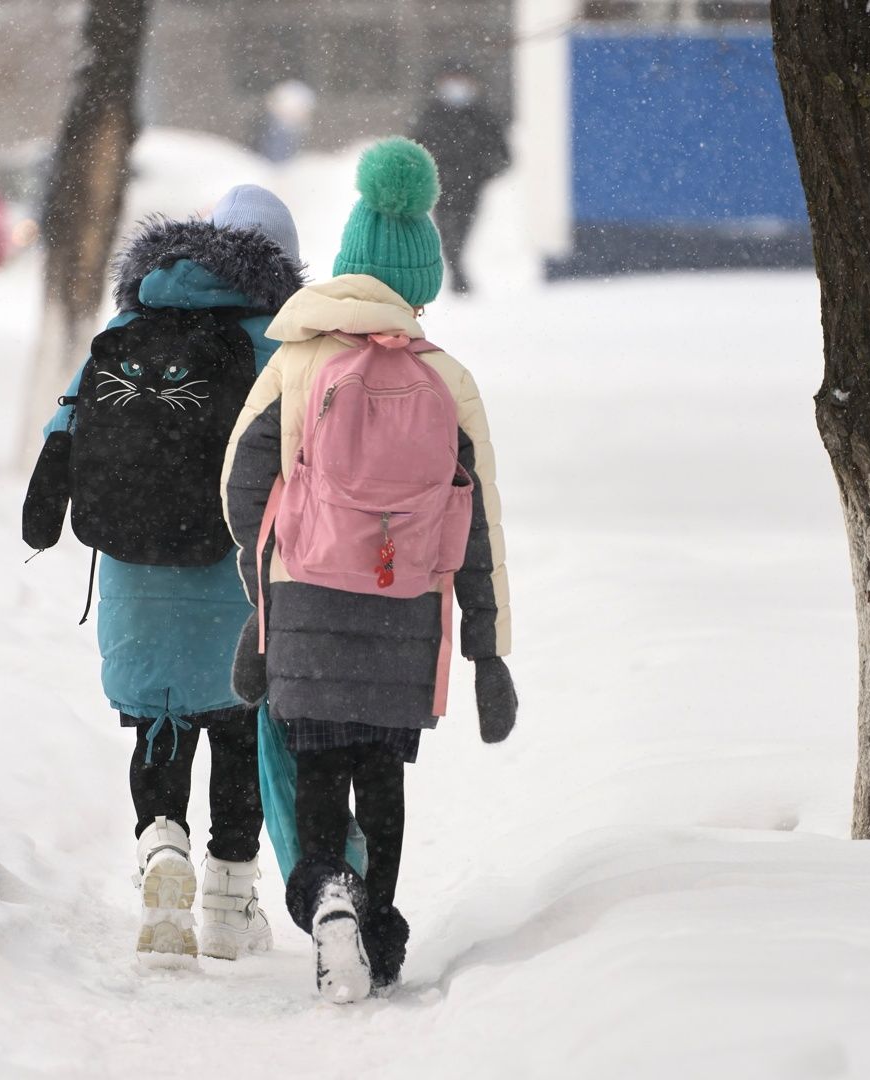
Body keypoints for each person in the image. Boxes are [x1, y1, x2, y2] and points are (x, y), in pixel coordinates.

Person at [221, 139, 517, 1001]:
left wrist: (266, 585)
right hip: (406, 612)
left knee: (317, 773)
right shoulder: (445, 378)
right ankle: (378, 930)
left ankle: (326, 900)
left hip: (307, 601)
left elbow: (241, 481)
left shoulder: (295, 361)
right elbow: (481, 525)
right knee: (380, 776)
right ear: (420, 279)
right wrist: (487, 648)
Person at [26, 186, 306, 962]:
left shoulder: (130, 324)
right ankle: (226, 899)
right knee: (239, 725)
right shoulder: (279, 343)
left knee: (160, 719)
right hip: (237, 570)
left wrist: (42, 513)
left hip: (136, 566)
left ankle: (161, 849)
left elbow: (66, 426)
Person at [408, 66, 509, 295]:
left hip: (472, 186)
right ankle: (457, 272)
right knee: (446, 230)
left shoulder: (483, 115)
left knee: (463, 228)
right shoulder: (430, 114)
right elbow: (413, 147)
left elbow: (502, 154)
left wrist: (485, 172)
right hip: (439, 185)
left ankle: (457, 270)